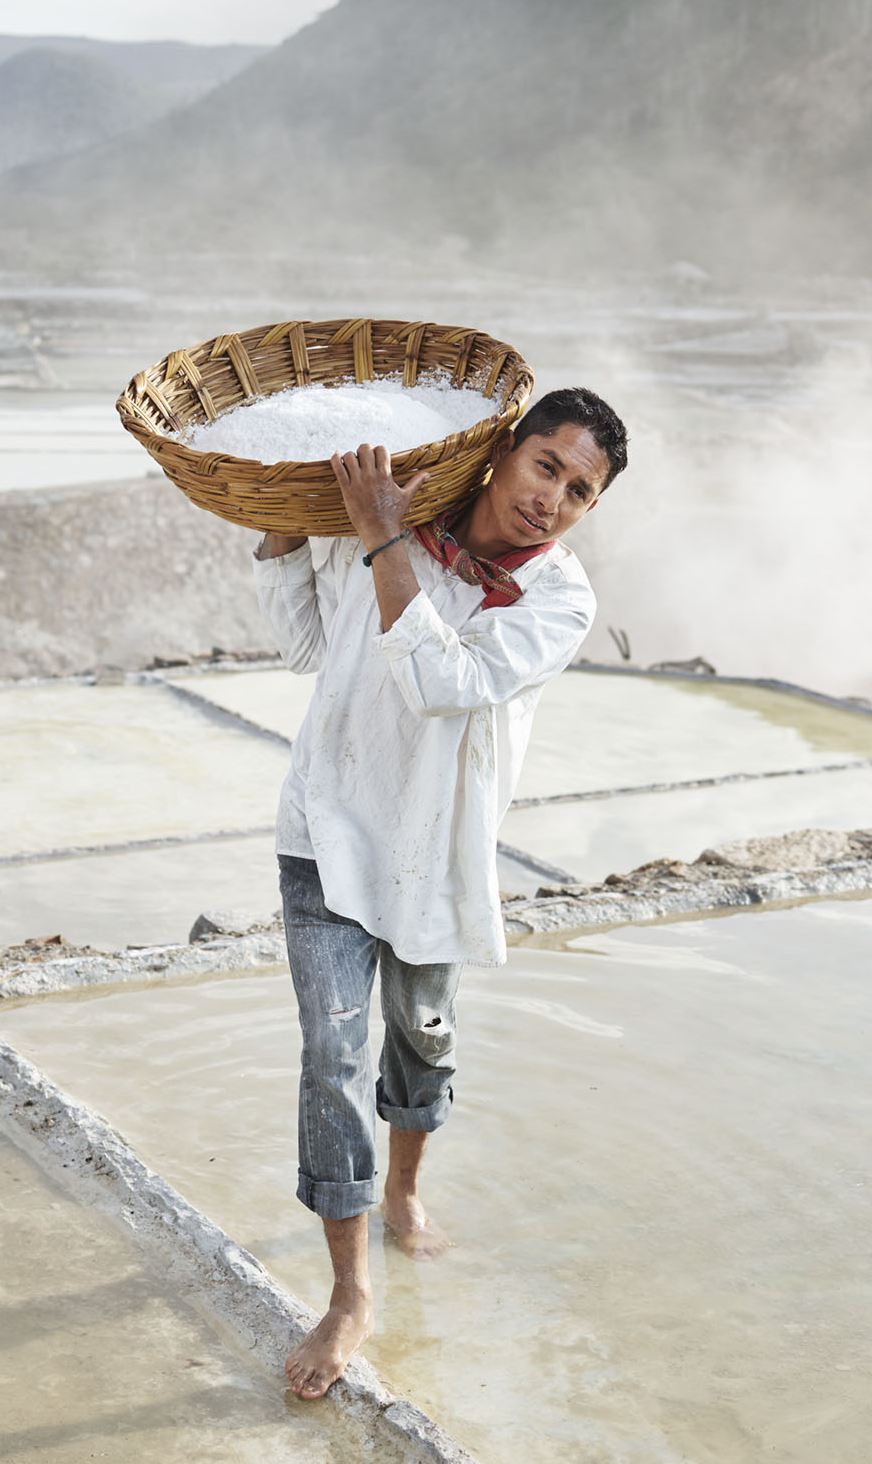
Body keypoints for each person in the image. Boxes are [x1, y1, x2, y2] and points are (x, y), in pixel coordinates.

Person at [252, 387, 629, 1400]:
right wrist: (298, 537)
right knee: (330, 1055)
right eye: (545, 467)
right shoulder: (393, 514)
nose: (552, 499)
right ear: (503, 452)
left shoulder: (555, 599)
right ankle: (348, 1294)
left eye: (579, 491)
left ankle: (403, 1192)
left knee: (421, 1035)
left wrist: (379, 542)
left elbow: (445, 682)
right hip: (326, 826)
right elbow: (303, 647)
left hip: (432, 847)